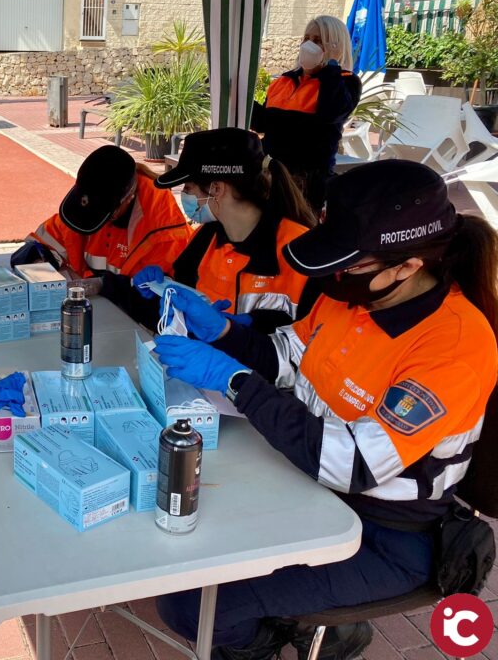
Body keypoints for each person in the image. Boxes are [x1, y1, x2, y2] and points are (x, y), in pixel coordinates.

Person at [151, 160, 498, 660]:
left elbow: (352, 465)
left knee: (191, 605)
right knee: (188, 538)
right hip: (310, 486)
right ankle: (291, 615)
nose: (335, 277)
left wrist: (232, 378)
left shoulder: (454, 346)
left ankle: (263, 643)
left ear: (408, 265)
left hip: (388, 533)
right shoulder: (354, 297)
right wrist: (224, 334)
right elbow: (288, 358)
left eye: (350, 265)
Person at [131, 128, 318, 334]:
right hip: (199, 361)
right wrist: (161, 287)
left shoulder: (301, 250)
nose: (184, 195)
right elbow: (182, 295)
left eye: (187, 187)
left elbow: (310, 339)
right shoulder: (206, 237)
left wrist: (249, 326)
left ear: (216, 189)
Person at [11, 145, 192, 309]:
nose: (89, 220)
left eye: (100, 215)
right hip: (88, 309)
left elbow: (153, 299)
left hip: (130, 324)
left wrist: (103, 285)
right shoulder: (88, 202)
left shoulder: (163, 230)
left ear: (127, 199)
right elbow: (40, 243)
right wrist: (38, 260)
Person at [252, 15, 361, 213]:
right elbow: (263, 123)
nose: (309, 45)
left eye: (318, 41)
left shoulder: (345, 82)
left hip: (306, 184)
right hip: (270, 176)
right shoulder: (283, 81)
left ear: (335, 47)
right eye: (307, 38)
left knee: (296, 237)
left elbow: (331, 113)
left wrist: (332, 65)